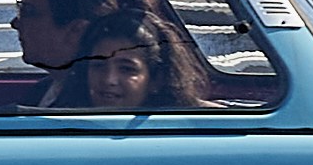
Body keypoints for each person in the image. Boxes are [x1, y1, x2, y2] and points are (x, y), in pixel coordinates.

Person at [67, 6, 222, 112]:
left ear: (156, 79)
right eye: (98, 65)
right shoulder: (63, 122)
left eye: (127, 69)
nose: (109, 80)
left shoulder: (191, 131)